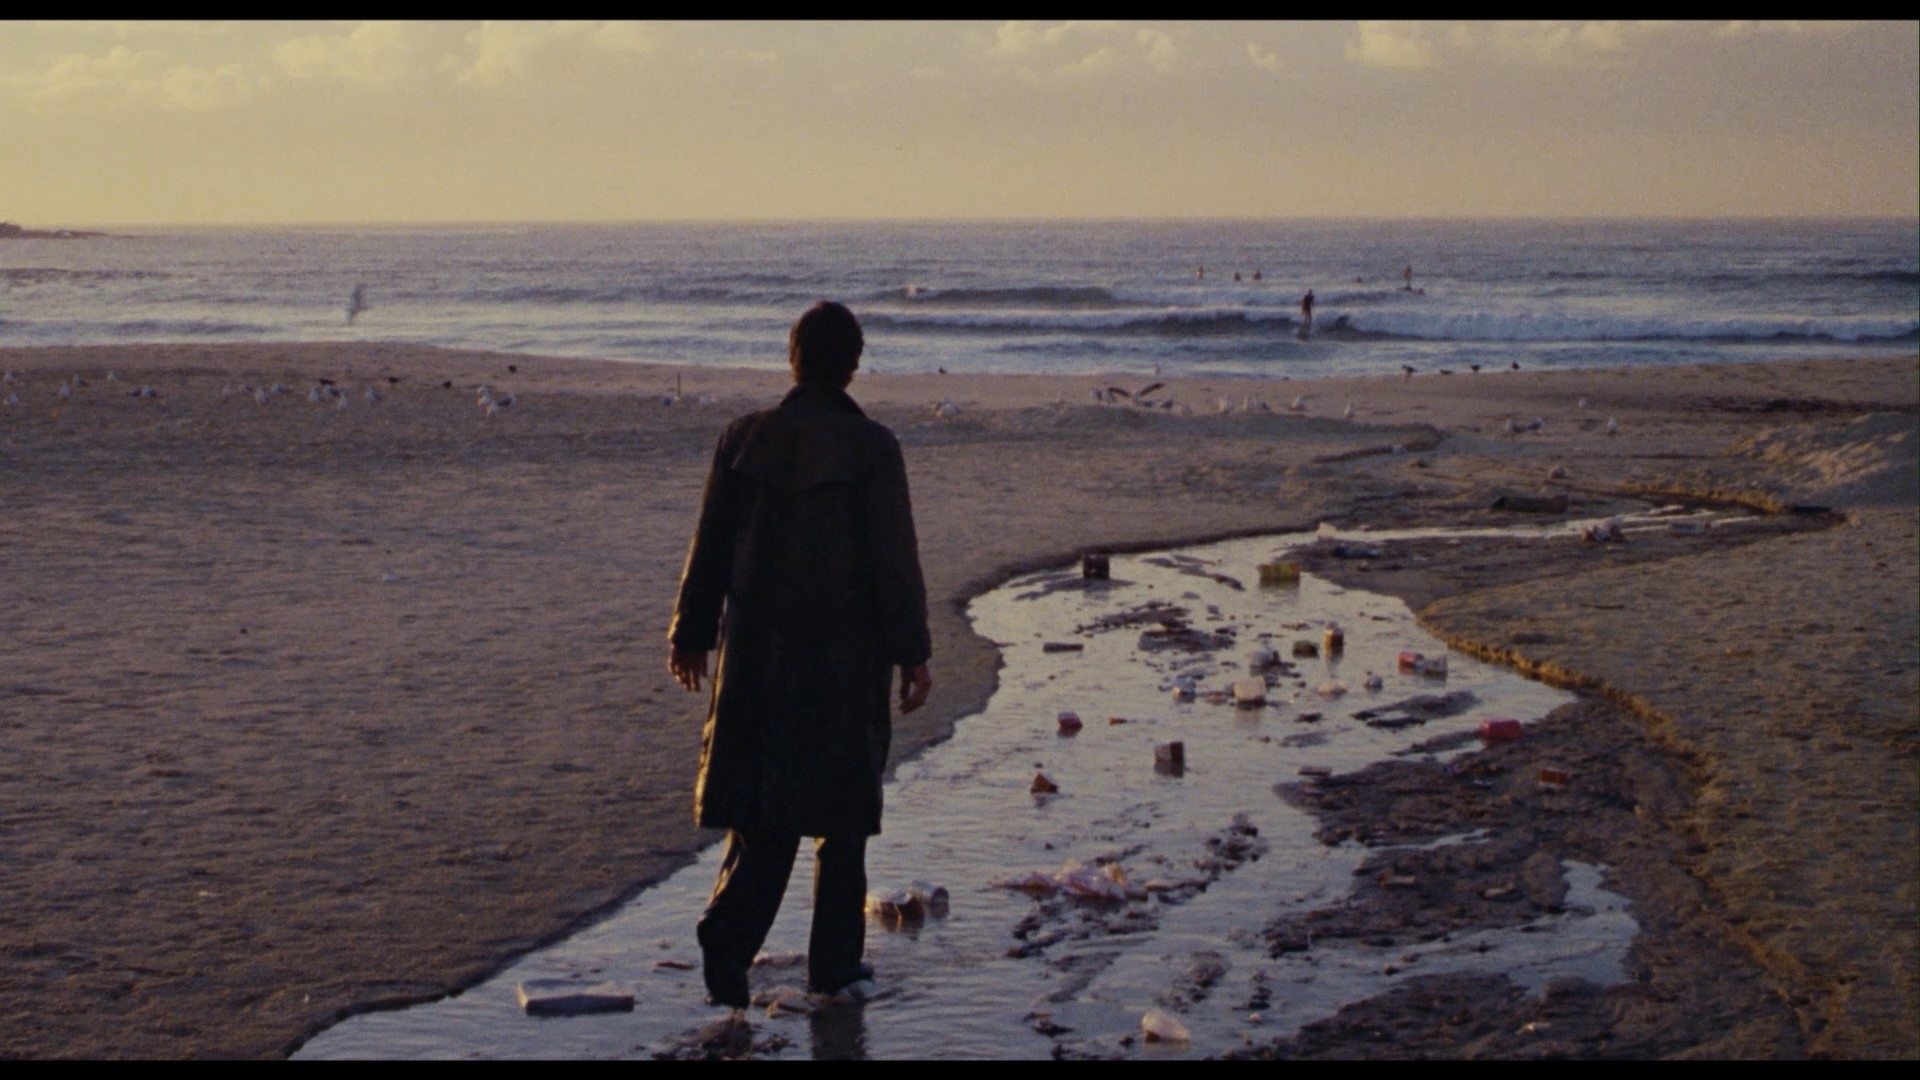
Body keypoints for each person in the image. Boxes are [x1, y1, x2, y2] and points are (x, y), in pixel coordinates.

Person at [668, 300, 933, 1009]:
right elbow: (894, 559)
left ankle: (728, 939)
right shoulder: (872, 447)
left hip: (758, 654)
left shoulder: (743, 438)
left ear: (794, 360)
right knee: (843, 820)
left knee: (763, 816)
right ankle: (834, 967)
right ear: (853, 366)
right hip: (844, 659)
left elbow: (709, 543)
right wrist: (913, 653)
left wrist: (690, 632)